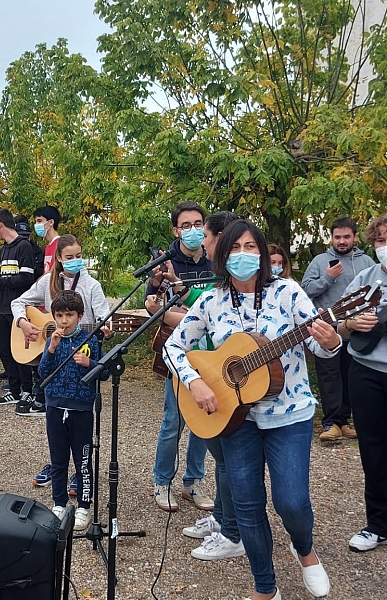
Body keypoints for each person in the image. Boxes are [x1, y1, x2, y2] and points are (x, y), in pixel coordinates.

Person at [165, 219, 336, 600]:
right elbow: (173, 347)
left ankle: (304, 550)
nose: (243, 255)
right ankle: (265, 587)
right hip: (236, 419)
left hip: (289, 414)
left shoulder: (288, 292)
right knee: (246, 504)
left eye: (250, 247)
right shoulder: (210, 300)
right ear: (222, 257)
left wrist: (331, 338)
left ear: (261, 253)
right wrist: (195, 382)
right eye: (235, 249)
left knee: (291, 501)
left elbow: (320, 348)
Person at [11, 234, 110, 489]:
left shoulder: (91, 285)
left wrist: (107, 327)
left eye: (79, 256)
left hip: (80, 353)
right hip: (54, 353)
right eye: (69, 257)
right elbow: (17, 301)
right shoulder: (47, 283)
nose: (75, 261)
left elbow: (103, 316)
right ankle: (57, 466)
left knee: (80, 417)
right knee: (55, 420)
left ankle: (81, 469)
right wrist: (23, 323)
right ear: (58, 258)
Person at [179, 211, 245, 561]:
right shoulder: (216, 291)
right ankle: (222, 519)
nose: (201, 241)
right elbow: (186, 330)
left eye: (205, 235)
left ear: (221, 239)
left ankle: (233, 530)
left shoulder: (262, 290)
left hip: (244, 396)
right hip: (213, 380)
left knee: (230, 460)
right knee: (221, 457)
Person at [145, 200, 214, 513]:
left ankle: (193, 483)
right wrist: (180, 312)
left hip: (214, 352)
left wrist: (183, 312)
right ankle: (163, 482)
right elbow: (153, 307)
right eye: (186, 225)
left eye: (198, 224)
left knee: (205, 421)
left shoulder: (215, 259)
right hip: (180, 353)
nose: (193, 230)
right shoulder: (165, 262)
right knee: (174, 420)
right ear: (176, 230)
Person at [336, 212, 387, 553]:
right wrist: (353, 325)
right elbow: (338, 325)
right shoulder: (366, 280)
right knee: (373, 448)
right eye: (382, 240)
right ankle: (378, 524)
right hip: (367, 371)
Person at [38, 290, 108, 532]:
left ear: (80, 316)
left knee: (83, 460)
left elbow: (105, 372)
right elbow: (43, 373)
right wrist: (51, 349)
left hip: (81, 409)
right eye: (59, 315)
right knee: (58, 458)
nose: (64, 320)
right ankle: (59, 503)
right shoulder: (52, 340)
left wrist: (90, 364)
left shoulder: (91, 340)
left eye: (69, 315)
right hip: (55, 406)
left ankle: (84, 506)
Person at [302, 217, 375, 442]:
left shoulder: (367, 263)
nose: (341, 241)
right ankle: (331, 422)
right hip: (328, 327)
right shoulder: (320, 260)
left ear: (355, 237)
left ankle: (345, 421)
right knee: (329, 375)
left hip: (357, 330)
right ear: (331, 237)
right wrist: (327, 278)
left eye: (346, 237)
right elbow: (305, 290)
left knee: (350, 374)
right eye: (337, 237)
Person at [0, 208, 35, 405]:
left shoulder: (24, 247)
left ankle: (27, 390)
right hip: (2, 306)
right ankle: (13, 391)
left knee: (20, 352)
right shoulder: (3, 249)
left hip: (19, 308)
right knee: (4, 350)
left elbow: (26, 277)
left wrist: (0, 281)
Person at [33, 205, 61, 274]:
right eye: (36, 221)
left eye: (39, 221)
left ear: (51, 222)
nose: (36, 225)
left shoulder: (61, 245)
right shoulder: (47, 247)